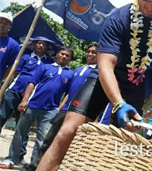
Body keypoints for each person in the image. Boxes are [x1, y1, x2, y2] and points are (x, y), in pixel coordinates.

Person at [37, 0, 152, 171]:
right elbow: (106, 64)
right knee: (68, 130)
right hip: (106, 77)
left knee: (127, 148)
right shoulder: (118, 18)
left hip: (141, 87)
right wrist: (118, 103)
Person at [22, 43, 98, 171]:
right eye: (89, 51)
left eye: (94, 52)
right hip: (65, 110)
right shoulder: (77, 70)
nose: (90, 54)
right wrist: (60, 107)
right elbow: (69, 92)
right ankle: (34, 166)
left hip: (81, 113)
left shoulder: (98, 73)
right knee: (48, 140)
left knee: (69, 144)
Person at [0, 47, 73, 169]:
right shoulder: (45, 67)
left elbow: (69, 93)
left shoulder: (71, 74)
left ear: (70, 59)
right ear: (57, 54)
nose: (64, 56)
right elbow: (32, 83)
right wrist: (24, 100)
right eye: (62, 53)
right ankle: (11, 159)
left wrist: (59, 108)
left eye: (67, 55)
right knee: (20, 132)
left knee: (42, 139)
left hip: (50, 110)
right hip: (32, 105)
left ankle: (34, 165)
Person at [0, 36, 54, 165]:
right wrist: (5, 86)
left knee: (22, 126)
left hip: (30, 97)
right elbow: (14, 73)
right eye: (38, 43)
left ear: (47, 47)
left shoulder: (49, 63)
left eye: (43, 44)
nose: (40, 46)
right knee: (1, 116)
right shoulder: (25, 57)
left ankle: (19, 156)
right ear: (34, 45)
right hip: (14, 92)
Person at [0, 12, 20, 82]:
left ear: (10, 27)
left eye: (5, 23)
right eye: (0, 22)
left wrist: (2, 85)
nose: (2, 25)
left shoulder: (14, 45)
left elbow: (10, 67)